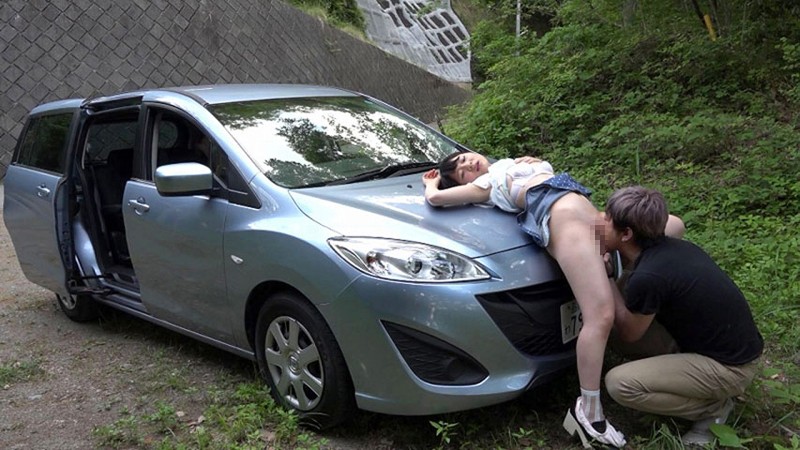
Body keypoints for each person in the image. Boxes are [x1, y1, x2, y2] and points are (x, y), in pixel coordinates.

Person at [423, 150, 636, 447]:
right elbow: (436, 199)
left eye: (464, 158)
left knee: (671, 229)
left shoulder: (509, 165)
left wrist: (532, 162)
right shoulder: (485, 185)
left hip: (594, 218)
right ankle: (588, 411)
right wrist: (431, 184)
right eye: (461, 172)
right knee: (600, 315)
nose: (468, 164)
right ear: (466, 183)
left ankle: (662, 355)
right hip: (564, 219)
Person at [600, 186, 763, 446]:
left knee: (619, 384)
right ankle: (692, 384)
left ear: (627, 234)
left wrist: (607, 277)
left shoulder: (649, 276)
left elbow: (630, 333)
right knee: (615, 337)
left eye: (607, 219)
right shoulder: (673, 248)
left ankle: (713, 408)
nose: (601, 223)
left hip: (730, 368)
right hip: (724, 348)